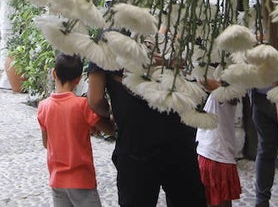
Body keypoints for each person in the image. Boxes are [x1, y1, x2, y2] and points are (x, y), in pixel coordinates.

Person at [88, 60, 207, 207]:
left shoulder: (106, 41)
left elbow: (95, 100)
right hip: (179, 141)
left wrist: (112, 115)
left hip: (135, 144)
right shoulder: (179, 38)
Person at [38, 53, 114, 207]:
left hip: (57, 180)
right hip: (81, 180)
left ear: (54, 73)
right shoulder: (82, 105)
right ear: (79, 79)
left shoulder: (43, 107)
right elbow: (109, 130)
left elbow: (47, 143)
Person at [195, 82, 241, 207]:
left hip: (215, 154)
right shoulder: (227, 91)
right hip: (214, 151)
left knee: (215, 201)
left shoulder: (227, 91)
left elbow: (204, 81)